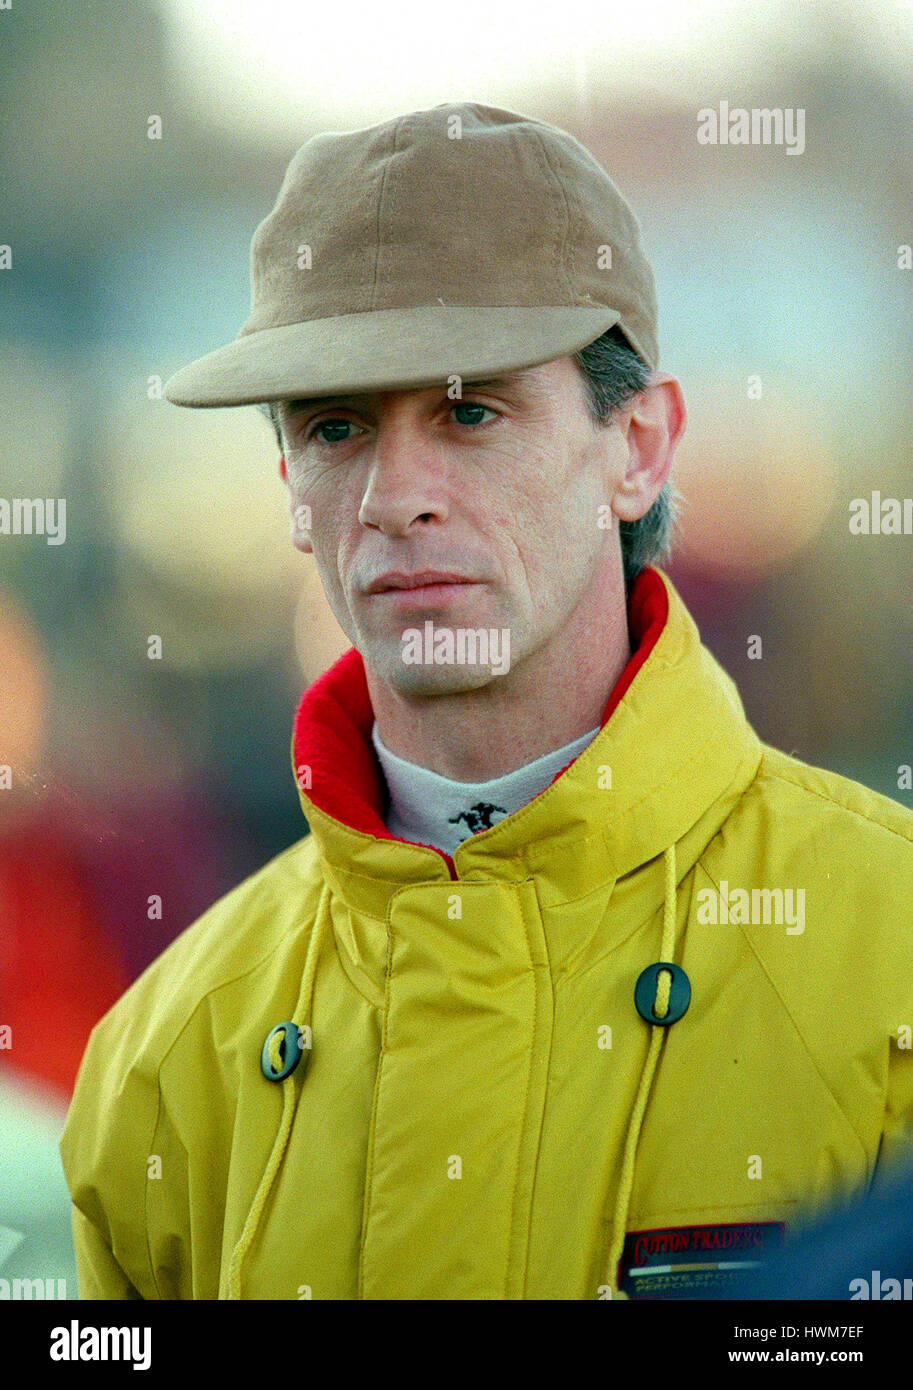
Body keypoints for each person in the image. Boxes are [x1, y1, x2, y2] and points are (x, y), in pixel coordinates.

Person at [59, 101, 913, 1301]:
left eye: (469, 412)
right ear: (289, 483)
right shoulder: (163, 1057)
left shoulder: (892, 957)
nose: (393, 495)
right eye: (336, 426)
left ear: (641, 448)